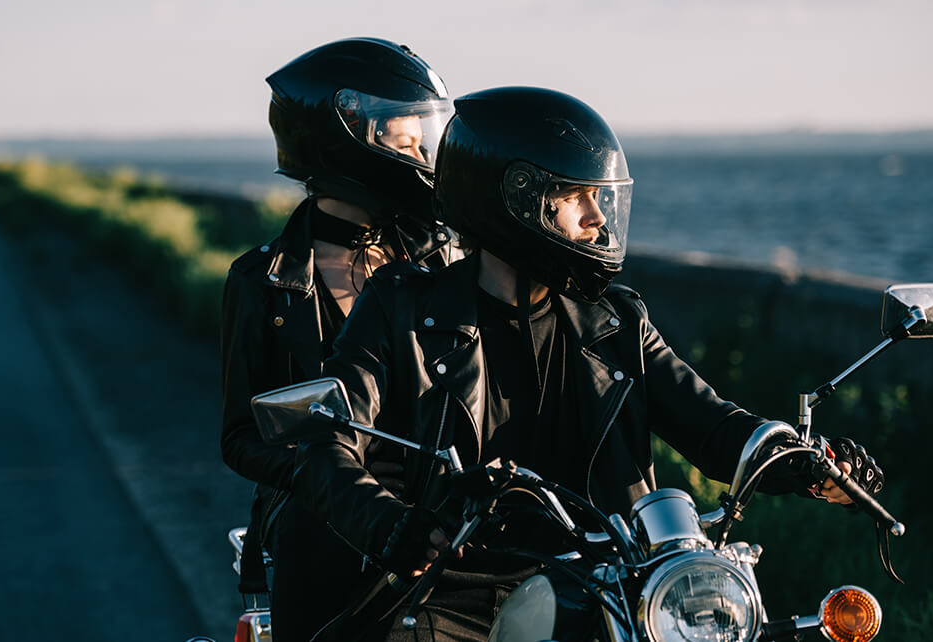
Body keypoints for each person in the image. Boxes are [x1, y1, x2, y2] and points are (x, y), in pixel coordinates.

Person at [289, 87, 885, 640]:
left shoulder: (617, 321)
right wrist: (389, 523)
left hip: (613, 583)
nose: (598, 218)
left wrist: (800, 461)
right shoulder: (401, 308)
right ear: (516, 198)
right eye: (576, 198)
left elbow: (711, 423)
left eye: (600, 198)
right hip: (456, 587)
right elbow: (325, 438)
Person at [219, 37, 460, 641]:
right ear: (346, 140)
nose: (421, 156)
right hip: (323, 516)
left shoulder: (446, 263)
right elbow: (241, 436)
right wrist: (321, 470)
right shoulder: (263, 281)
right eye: (404, 141)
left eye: (421, 140)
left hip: (439, 507)